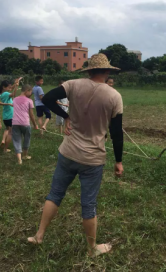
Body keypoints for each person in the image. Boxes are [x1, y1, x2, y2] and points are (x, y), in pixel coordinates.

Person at [27, 53, 124, 257]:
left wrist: (65, 116)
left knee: (55, 194)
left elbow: (48, 99)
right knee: (88, 204)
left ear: (88, 71)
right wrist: (118, 161)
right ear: (107, 72)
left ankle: (39, 235)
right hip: (93, 158)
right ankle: (91, 249)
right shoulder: (114, 96)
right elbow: (116, 133)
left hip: (68, 152)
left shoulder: (72, 84)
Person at [12, 84, 38, 164]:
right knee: (27, 139)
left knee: (17, 140)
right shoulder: (29, 101)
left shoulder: (15, 99)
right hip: (25, 123)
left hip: (15, 122)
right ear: (27, 91)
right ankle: (25, 155)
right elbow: (31, 114)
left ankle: (19, 159)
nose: (31, 94)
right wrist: (35, 125)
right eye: (30, 92)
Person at [0, 78, 22, 153]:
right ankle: (5, 149)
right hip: (10, 116)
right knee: (10, 133)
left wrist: (15, 83)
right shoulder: (6, 94)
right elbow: (13, 94)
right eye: (8, 87)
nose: (10, 88)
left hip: (5, 116)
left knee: (7, 129)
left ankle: (3, 140)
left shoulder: (2, 94)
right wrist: (16, 86)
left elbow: (10, 89)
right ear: (4, 87)